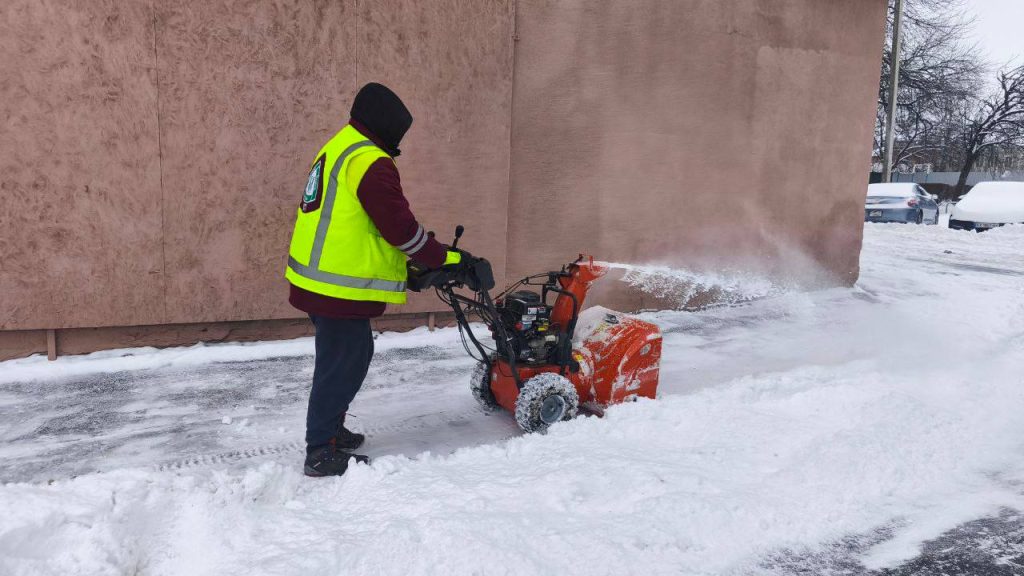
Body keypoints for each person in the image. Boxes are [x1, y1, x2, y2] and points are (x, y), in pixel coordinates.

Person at [284, 83, 461, 477]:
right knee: (342, 364)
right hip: (335, 286)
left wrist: (420, 261)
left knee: (351, 357)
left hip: (320, 282)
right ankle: (320, 451)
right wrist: (446, 257)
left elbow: (360, 224)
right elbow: (399, 229)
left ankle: (331, 431)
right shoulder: (370, 160)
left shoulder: (340, 146)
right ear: (389, 126)